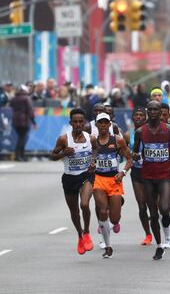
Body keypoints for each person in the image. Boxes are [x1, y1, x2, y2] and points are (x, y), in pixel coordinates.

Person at [133, 100, 170, 260]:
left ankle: (167, 225)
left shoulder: (169, 130)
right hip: (147, 176)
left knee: (164, 210)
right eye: (151, 110)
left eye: (156, 109)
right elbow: (136, 152)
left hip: (164, 176)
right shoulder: (140, 132)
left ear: (160, 111)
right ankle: (159, 245)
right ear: (148, 112)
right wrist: (135, 156)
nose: (153, 112)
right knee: (153, 214)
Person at [50, 108, 96, 254]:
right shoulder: (64, 139)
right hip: (69, 177)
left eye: (80, 121)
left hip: (86, 176)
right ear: (70, 123)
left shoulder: (90, 138)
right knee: (74, 211)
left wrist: (93, 160)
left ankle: (87, 232)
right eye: (75, 122)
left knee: (84, 204)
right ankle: (80, 236)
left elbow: (96, 149)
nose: (78, 124)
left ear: (84, 122)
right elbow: (53, 155)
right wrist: (64, 153)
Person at [92, 112, 132, 258]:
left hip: (114, 181)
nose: (103, 125)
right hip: (98, 180)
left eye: (105, 123)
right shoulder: (93, 141)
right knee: (102, 211)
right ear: (96, 125)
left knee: (114, 219)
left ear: (109, 124)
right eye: (100, 123)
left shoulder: (118, 141)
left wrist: (122, 173)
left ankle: (116, 204)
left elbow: (129, 159)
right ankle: (108, 246)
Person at [124, 107, 153, 246]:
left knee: (153, 205)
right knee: (142, 205)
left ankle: (159, 229)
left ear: (146, 117)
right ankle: (148, 234)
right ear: (133, 117)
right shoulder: (128, 135)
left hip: (152, 172)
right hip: (137, 172)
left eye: (142, 115)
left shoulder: (152, 132)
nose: (139, 117)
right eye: (136, 115)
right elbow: (123, 153)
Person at [10, 85, 37, 162]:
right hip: (24, 120)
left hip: (15, 120)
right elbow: (30, 110)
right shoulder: (26, 98)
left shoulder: (14, 98)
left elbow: (11, 105)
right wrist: (34, 122)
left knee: (20, 138)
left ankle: (21, 155)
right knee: (22, 139)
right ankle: (18, 155)